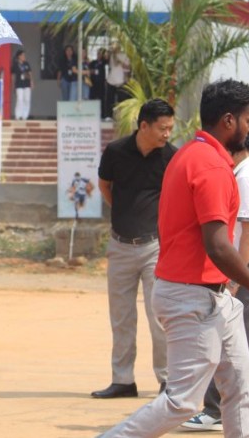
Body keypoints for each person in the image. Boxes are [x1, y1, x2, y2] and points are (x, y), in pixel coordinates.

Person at [98, 80, 249, 438]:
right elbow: (217, 245)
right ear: (229, 120)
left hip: (207, 295)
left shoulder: (188, 153)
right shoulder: (212, 167)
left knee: (241, 386)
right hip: (193, 296)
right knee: (182, 402)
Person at [183, 131, 249, 434]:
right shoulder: (245, 172)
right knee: (228, 343)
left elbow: (248, 232)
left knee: (245, 346)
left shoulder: (245, 177)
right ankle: (216, 409)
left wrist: (236, 277)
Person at [91, 99, 175, 401]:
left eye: (170, 128)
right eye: (162, 128)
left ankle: (167, 380)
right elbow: (104, 185)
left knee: (159, 316)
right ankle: (123, 380)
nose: (167, 134)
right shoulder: (116, 152)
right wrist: (124, 211)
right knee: (121, 317)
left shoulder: (171, 157)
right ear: (144, 126)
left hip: (155, 247)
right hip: (120, 245)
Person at [12, 49, 32, 120]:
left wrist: (31, 82)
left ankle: (25, 116)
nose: (24, 56)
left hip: (27, 83)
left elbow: (30, 73)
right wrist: (13, 84)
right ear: (19, 56)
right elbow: (13, 75)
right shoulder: (15, 64)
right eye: (23, 55)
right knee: (20, 99)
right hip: (18, 84)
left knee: (27, 99)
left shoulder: (26, 64)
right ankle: (18, 115)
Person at [90, 48, 109, 118]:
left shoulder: (105, 63)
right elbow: (89, 70)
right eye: (98, 53)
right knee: (92, 99)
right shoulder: (93, 63)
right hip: (93, 83)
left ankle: (103, 115)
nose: (99, 55)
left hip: (102, 84)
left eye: (101, 54)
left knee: (102, 100)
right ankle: (92, 114)